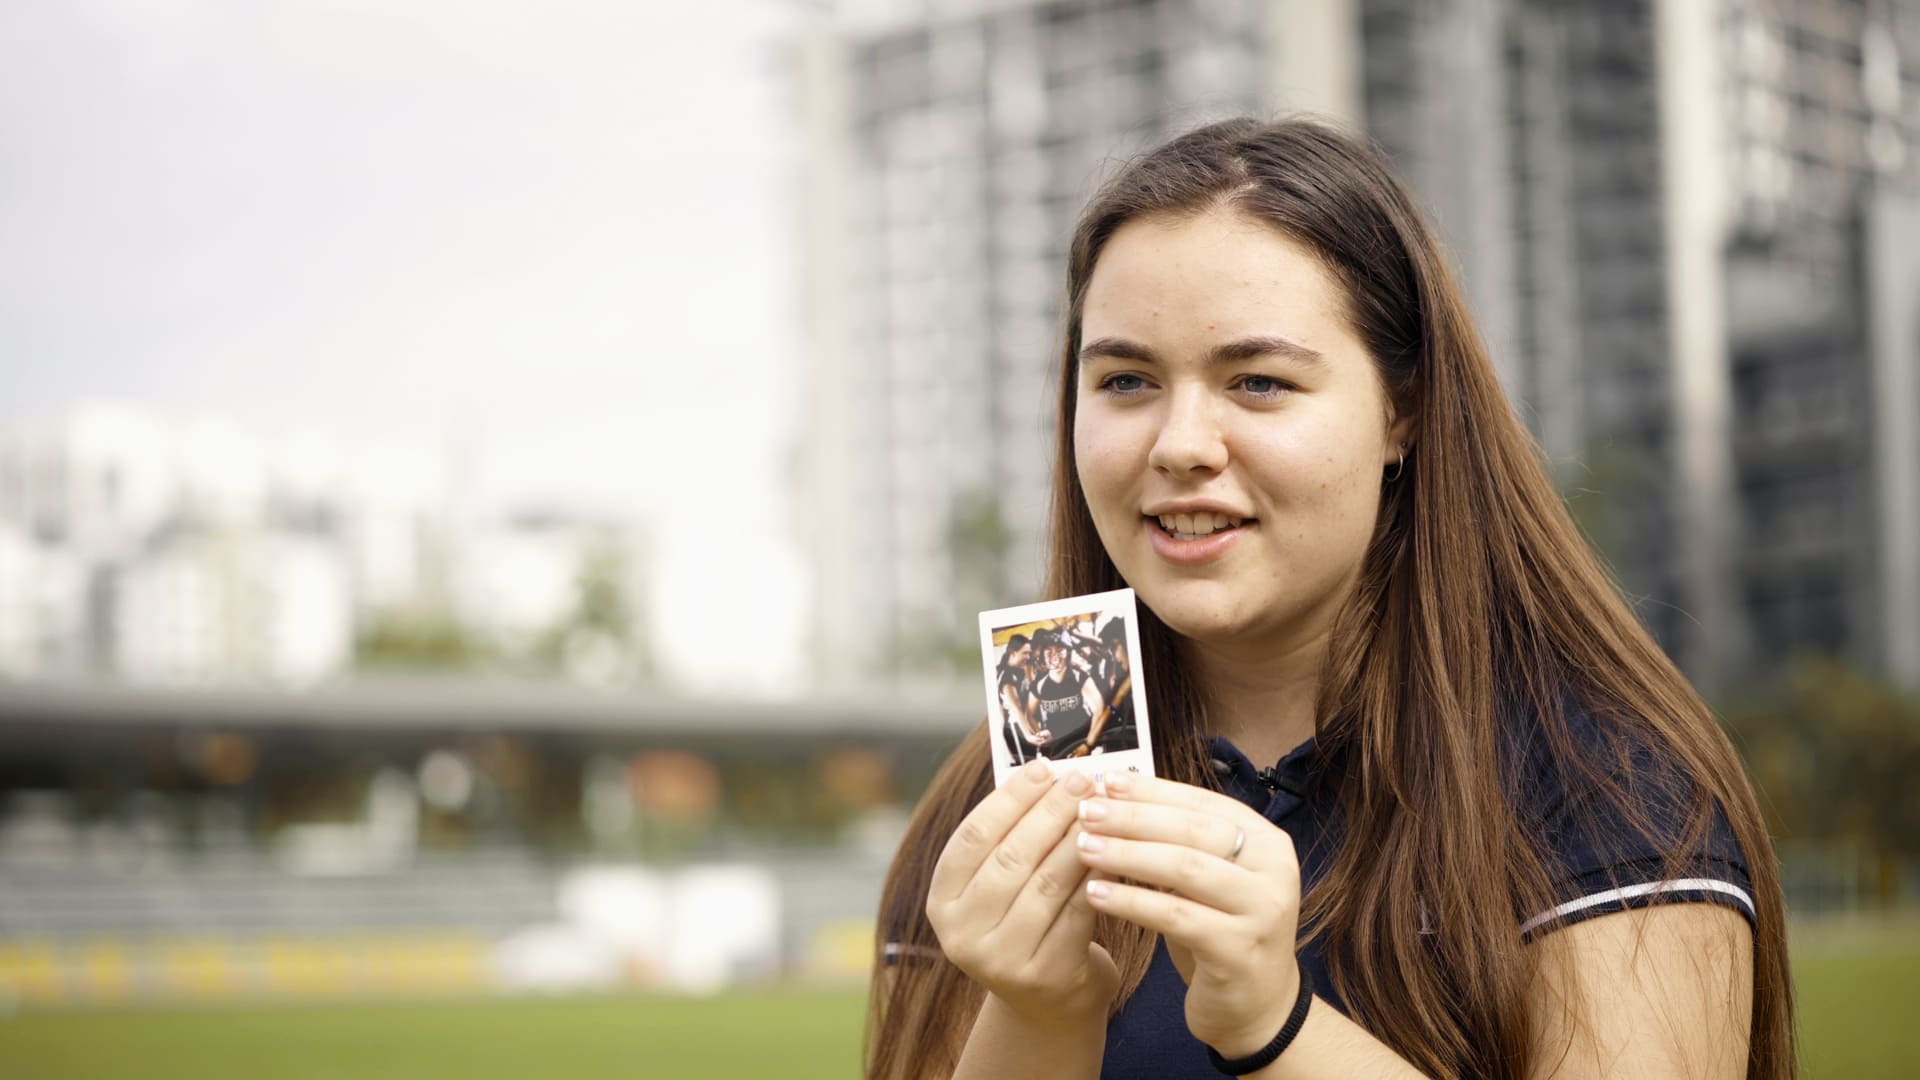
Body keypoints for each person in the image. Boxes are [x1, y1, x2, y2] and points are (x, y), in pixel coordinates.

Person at [866, 117, 1791, 1080]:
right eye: (1127, 379)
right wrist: (1039, 1013)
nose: (1181, 444)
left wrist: (1276, 1028)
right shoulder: (989, 814)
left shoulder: (1601, 778)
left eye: (1258, 381)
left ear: (1405, 409)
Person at [1030, 628, 1109, 759]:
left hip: (1079, 740)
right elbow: (1029, 714)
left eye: (1060, 650)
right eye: (1048, 651)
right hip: (1055, 745)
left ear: (1068, 652)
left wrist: (1088, 744)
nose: (1054, 656)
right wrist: (1039, 735)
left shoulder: (1080, 678)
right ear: (1043, 655)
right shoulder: (1039, 684)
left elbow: (1099, 710)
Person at [997, 633, 1050, 764]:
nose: (1028, 657)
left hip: (1025, 725)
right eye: (1025, 653)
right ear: (1013, 652)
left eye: (1029, 653)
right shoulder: (1006, 676)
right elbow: (1017, 708)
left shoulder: (1019, 671)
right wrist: (1027, 735)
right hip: (1016, 728)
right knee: (1025, 767)